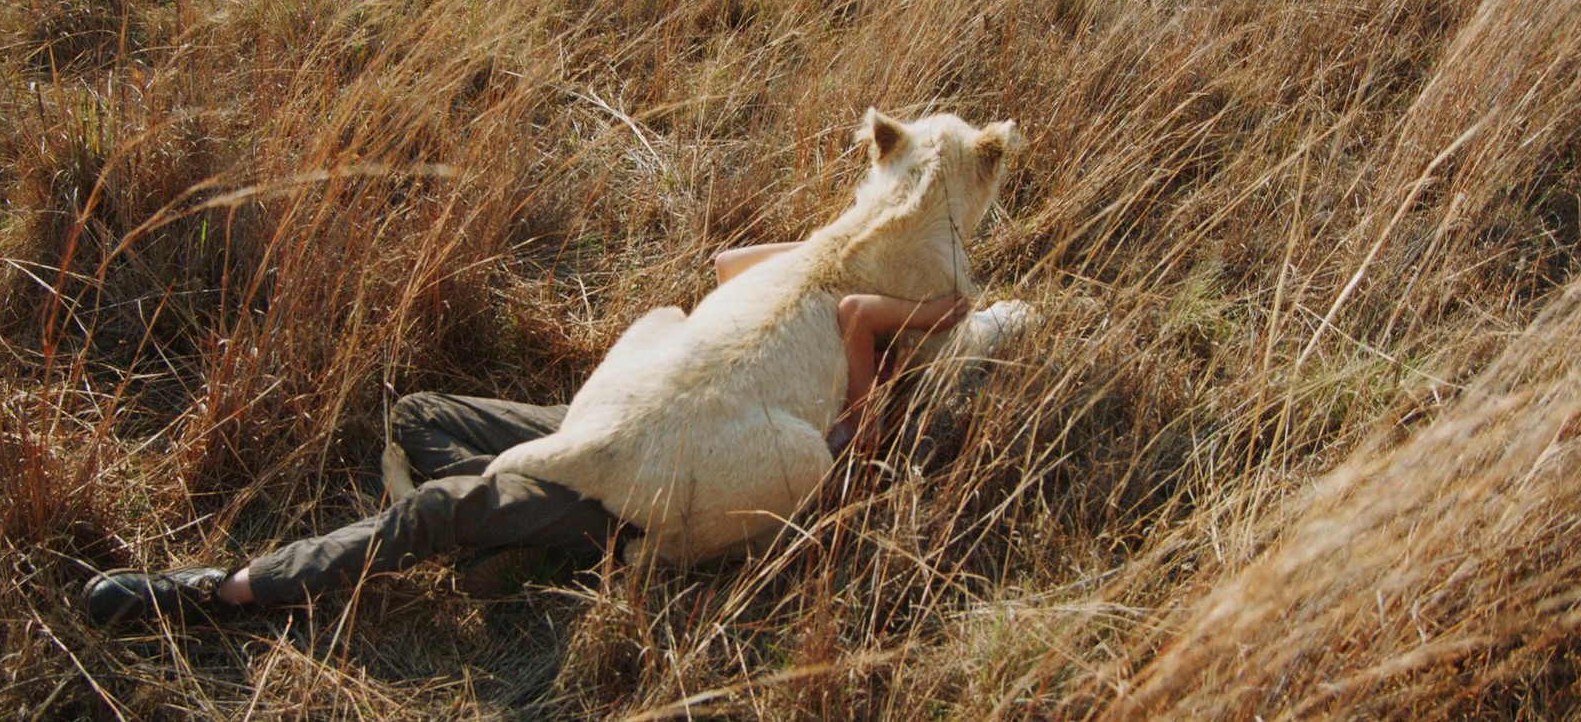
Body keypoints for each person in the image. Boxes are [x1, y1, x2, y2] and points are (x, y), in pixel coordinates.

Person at [81, 244, 969, 624]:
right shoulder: (817, 283)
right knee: (419, 415)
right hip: (625, 415)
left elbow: (844, 461)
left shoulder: (874, 366)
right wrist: (824, 253)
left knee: (437, 507)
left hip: (656, 479)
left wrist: (868, 321)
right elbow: (725, 268)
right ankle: (512, 534)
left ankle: (228, 590)